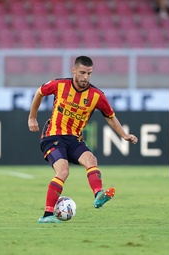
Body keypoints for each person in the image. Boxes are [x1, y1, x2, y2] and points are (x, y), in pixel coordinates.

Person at [28, 56, 138, 223]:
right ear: (74, 70)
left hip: (73, 139)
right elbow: (40, 92)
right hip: (53, 136)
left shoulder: (97, 95)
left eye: (89, 73)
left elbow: (110, 116)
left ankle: (98, 194)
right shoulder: (60, 85)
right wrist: (32, 117)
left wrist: (124, 135)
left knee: (91, 159)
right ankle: (47, 215)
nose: (85, 77)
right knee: (63, 171)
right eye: (82, 73)